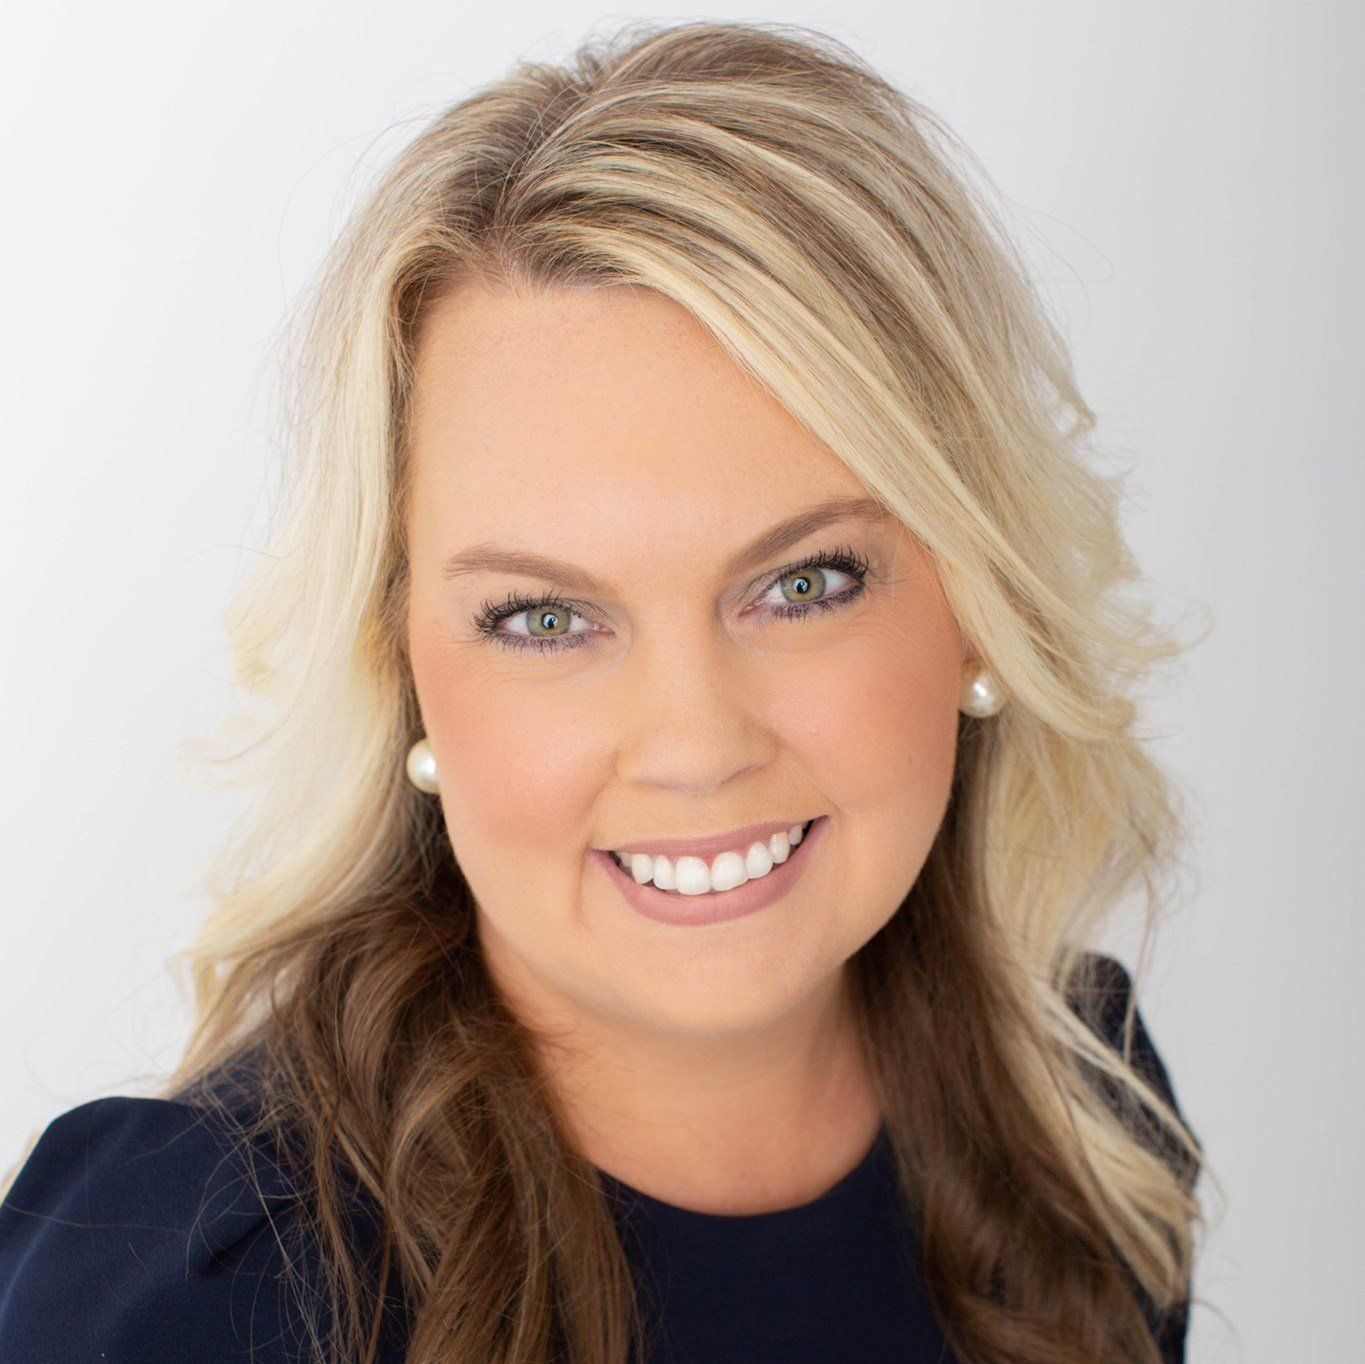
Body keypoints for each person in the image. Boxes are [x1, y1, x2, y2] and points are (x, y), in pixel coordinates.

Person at [0, 18, 1211, 1364]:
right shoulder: (202, 1280)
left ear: (978, 598)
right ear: (400, 673)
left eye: (803, 584)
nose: (694, 746)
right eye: (545, 616)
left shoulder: (1073, 1106)